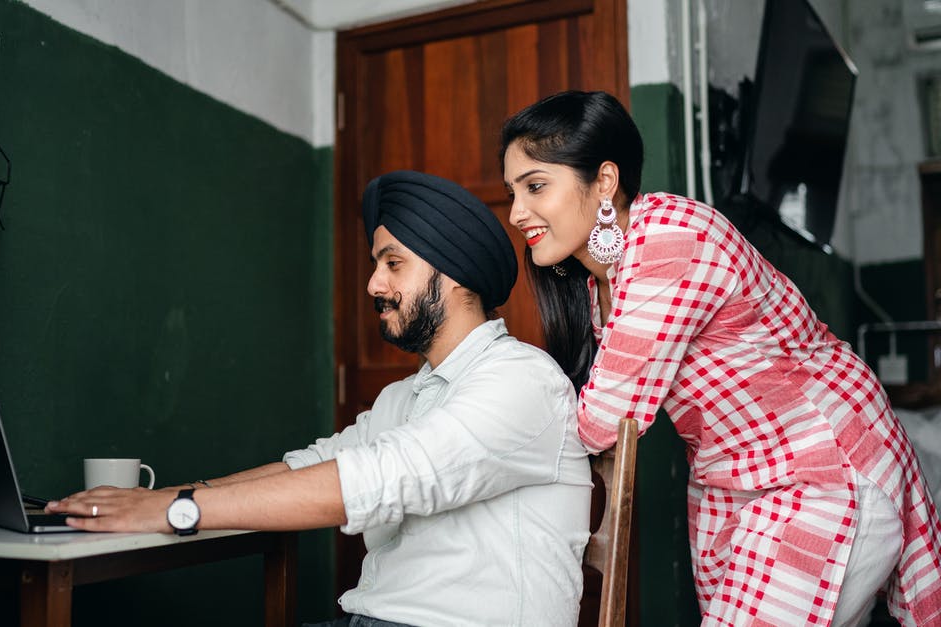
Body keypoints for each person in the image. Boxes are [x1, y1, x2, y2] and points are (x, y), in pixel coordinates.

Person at [46, 170, 592, 627]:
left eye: (393, 263)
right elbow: (312, 465)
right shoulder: (404, 397)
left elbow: (382, 478)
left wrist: (174, 510)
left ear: (454, 276)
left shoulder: (522, 379)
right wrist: (171, 494)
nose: (374, 285)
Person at [500, 89, 941, 627]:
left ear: (605, 183)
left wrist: (483, 436)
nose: (517, 212)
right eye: (512, 193)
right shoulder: (601, 285)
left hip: (823, 473)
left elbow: (605, 420)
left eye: (535, 186)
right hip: (744, 486)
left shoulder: (669, 240)